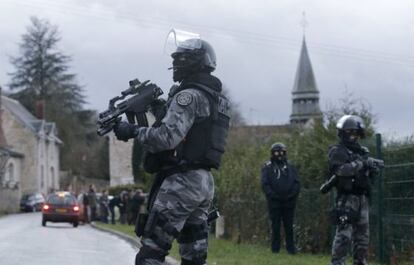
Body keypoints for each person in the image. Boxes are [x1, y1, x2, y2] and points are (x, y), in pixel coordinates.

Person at [113, 29, 230, 265]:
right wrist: (161, 109)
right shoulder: (214, 97)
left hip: (181, 182)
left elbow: (167, 138)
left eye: (179, 59)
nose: (175, 64)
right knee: (193, 256)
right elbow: (195, 131)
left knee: (151, 254)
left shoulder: (187, 96)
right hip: (204, 183)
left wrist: (133, 131)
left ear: (193, 63)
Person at [327, 115, 381, 265]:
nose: (354, 137)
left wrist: (371, 170)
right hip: (346, 200)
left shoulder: (362, 152)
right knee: (344, 236)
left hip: (362, 198)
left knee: (363, 239)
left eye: (356, 133)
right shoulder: (337, 151)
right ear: (343, 133)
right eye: (351, 133)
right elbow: (341, 171)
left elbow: (366, 177)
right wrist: (361, 164)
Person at [261, 142, 300, 254]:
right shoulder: (267, 167)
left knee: (289, 226)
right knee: (275, 226)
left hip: (289, 202)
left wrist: (291, 195)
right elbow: (265, 184)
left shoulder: (290, 166)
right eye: (277, 152)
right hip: (274, 202)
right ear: (272, 153)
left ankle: (291, 248)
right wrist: (273, 196)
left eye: (282, 152)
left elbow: (297, 183)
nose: (280, 154)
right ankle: (275, 249)